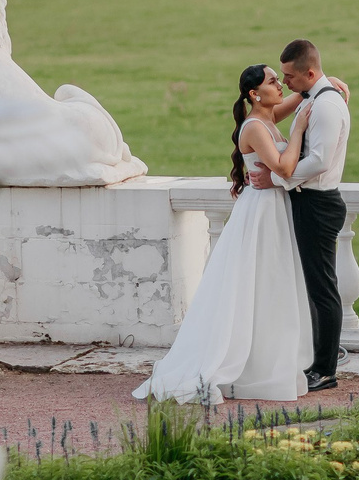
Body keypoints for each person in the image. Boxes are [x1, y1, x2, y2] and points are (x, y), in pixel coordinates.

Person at [132, 64, 316, 405]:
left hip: (272, 208)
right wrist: (300, 131)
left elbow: (303, 95)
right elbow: (285, 167)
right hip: (261, 213)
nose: (280, 84)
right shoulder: (256, 127)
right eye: (273, 80)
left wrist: (328, 82)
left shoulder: (269, 114)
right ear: (254, 94)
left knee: (270, 285)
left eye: (279, 79)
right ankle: (231, 365)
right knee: (252, 283)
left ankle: (264, 365)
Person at [270, 38, 351, 391]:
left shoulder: (327, 106)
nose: (286, 83)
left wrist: (278, 176)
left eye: (289, 76)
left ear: (310, 73)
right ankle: (321, 357)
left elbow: (320, 160)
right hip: (308, 202)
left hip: (319, 204)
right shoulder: (313, 98)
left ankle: (326, 369)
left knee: (323, 289)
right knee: (315, 286)